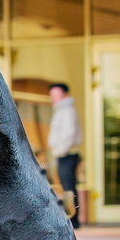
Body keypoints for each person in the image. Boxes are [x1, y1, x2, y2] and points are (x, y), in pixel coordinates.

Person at [47, 82, 83, 229]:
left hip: (67, 154)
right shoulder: (61, 110)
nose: (53, 98)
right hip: (64, 154)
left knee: (69, 188)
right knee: (68, 187)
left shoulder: (67, 110)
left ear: (65, 95)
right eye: (52, 95)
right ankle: (72, 218)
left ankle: (73, 220)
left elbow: (69, 133)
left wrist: (61, 150)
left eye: (56, 95)